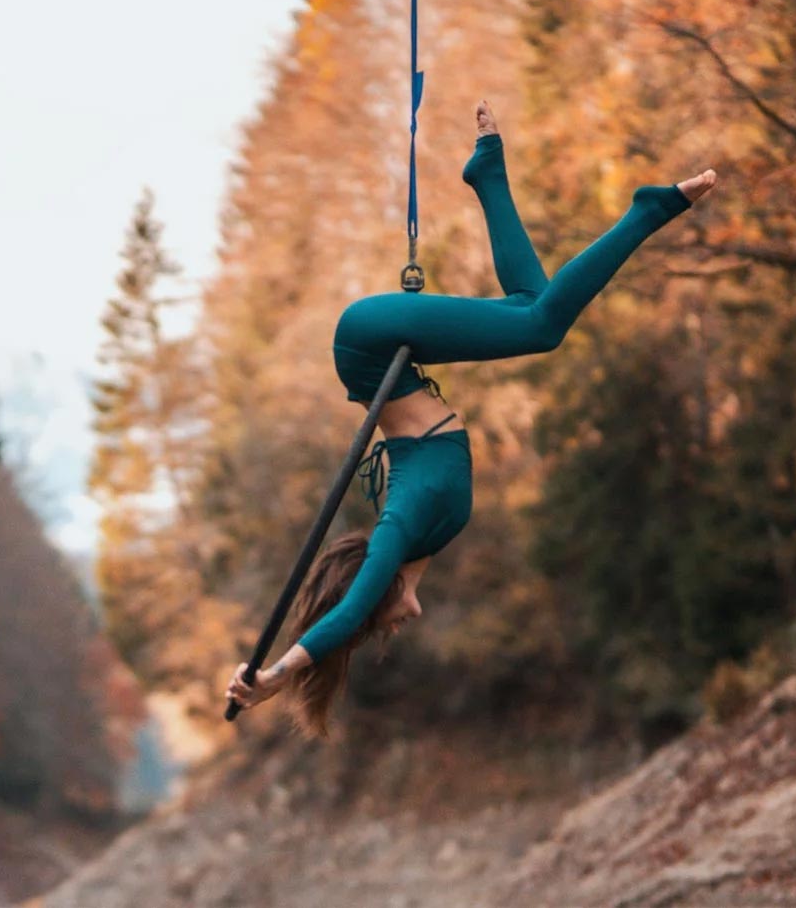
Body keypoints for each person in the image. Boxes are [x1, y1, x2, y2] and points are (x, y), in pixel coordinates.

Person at [225, 101, 717, 734]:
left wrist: (274, 678)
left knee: (543, 328)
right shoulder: (424, 538)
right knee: (532, 305)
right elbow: (354, 615)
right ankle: (487, 172)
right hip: (386, 360)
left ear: (379, 592)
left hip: (370, 344)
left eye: (385, 620)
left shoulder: (399, 531)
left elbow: (347, 613)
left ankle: (648, 209)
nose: (400, 625)